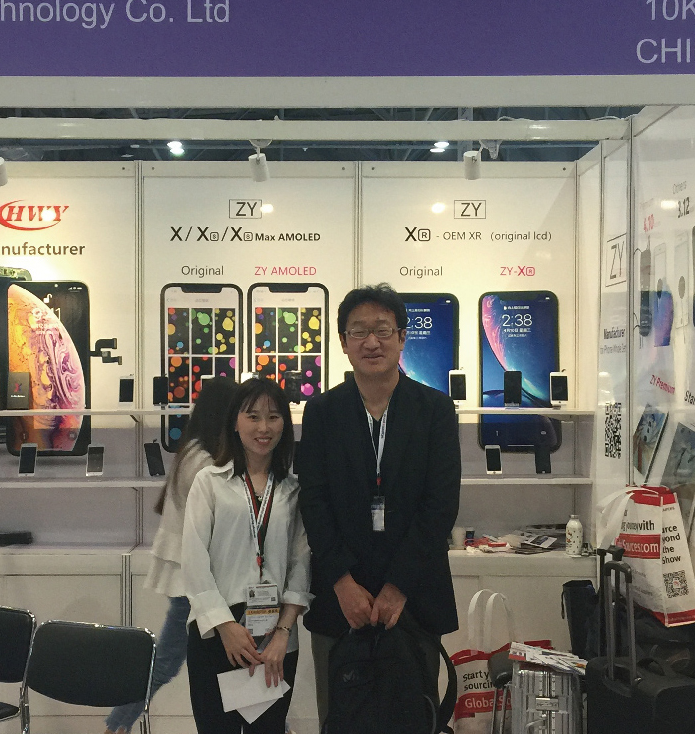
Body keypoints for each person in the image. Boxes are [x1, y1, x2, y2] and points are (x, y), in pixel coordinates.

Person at [296, 283, 460, 723]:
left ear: (402, 337)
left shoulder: (435, 410)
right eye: (359, 331)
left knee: (412, 715)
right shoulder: (323, 412)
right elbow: (314, 501)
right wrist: (342, 583)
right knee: (341, 717)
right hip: (340, 601)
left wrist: (397, 587)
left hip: (414, 597)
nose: (371, 341)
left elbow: (440, 505)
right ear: (343, 342)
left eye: (383, 329)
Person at [104, 377, 239, 734]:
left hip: (191, 580)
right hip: (193, 582)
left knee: (197, 663)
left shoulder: (193, 452)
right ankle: (115, 726)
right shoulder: (205, 463)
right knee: (165, 663)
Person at [181, 378, 312, 734]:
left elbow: (301, 564)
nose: (263, 427)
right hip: (216, 635)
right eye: (253, 416)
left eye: (273, 417)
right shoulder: (209, 482)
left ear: (285, 425)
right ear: (235, 422)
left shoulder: (293, 490)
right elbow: (194, 562)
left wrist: (283, 632)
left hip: (275, 638)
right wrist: (225, 627)